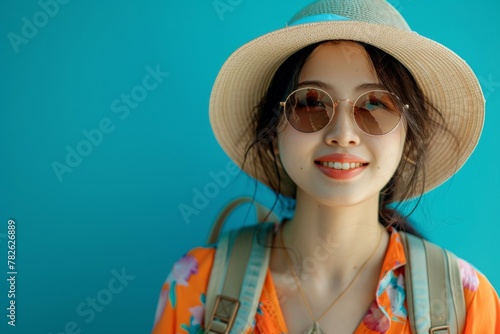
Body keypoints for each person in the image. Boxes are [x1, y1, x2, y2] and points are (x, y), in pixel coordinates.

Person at [152, 0, 500, 333]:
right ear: (274, 133)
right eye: (310, 103)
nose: (342, 134)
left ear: (408, 141)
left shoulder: (468, 304)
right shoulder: (197, 285)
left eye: (375, 104)